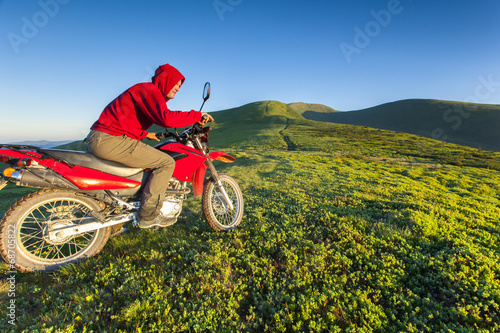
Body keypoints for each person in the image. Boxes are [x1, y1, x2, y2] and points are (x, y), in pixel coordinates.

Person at [85, 63, 214, 229]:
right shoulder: (149, 90)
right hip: (109, 140)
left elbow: (124, 120)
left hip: (103, 138)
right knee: (166, 163)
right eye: (176, 83)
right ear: (166, 80)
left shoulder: (146, 91)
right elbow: (166, 118)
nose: (179, 88)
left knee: (148, 160)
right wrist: (196, 115)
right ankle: (148, 215)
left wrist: (146, 134)